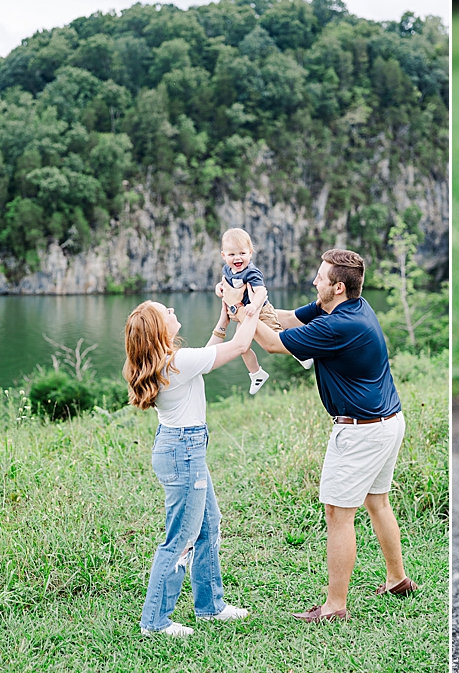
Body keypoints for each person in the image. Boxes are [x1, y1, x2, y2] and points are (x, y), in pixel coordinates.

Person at [252, 248, 417, 623]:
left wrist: (237, 315)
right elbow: (285, 320)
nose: (314, 281)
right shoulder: (348, 307)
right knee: (378, 502)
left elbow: (273, 344)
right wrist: (250, 298)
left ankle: (335, 606)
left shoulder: (340, 326)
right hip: (387, 422)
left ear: (338, 287)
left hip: (361, 432)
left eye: (321, 278)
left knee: (337, 514)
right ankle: (397, 580)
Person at [123, 287, 264, 636]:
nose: (172, 309)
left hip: (180, 449)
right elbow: (239, 347)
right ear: (159, 329)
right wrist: (255, 306)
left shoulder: (168, 361)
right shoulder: (177, 363)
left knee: (209, 523)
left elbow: (212, 351)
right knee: (181, 537)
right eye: (166, 310)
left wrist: (222, 319)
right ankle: (155, 622)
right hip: (183, 452)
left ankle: (211, 607)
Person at [215, 227, 311, 395]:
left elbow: (261, 291)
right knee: (241, 346)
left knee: (277, 335)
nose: (237, 258)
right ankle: (257, 373)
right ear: (224, 256)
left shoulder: (251, 272)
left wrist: (254, 305)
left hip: (260, 311)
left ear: (250, 253)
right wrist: (219, 288)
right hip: (243, 315)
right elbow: (225, 284)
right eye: (231, 255)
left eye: (242, 253)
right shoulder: (226, 271)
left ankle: (301, 352)